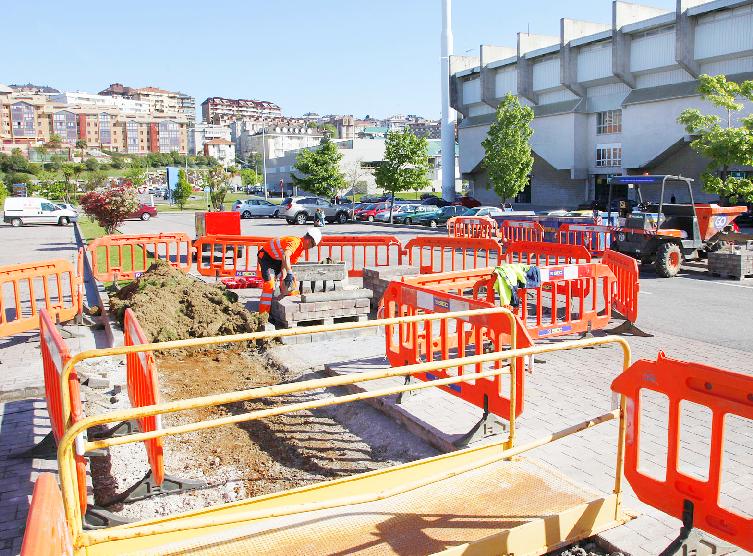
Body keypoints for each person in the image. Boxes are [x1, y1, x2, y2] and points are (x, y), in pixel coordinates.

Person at [257, 229, 322, 314]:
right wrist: (289, 272)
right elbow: (285, 256)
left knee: (291, 282)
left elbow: (285, 263)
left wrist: (284, 278)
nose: (311, 248)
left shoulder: (299, 251)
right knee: (270, 284)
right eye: (312, 245)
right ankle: (263, 314)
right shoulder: (295, 242)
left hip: (277, 260)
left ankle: (290, 310)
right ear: (309, 240)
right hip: (266, 258)